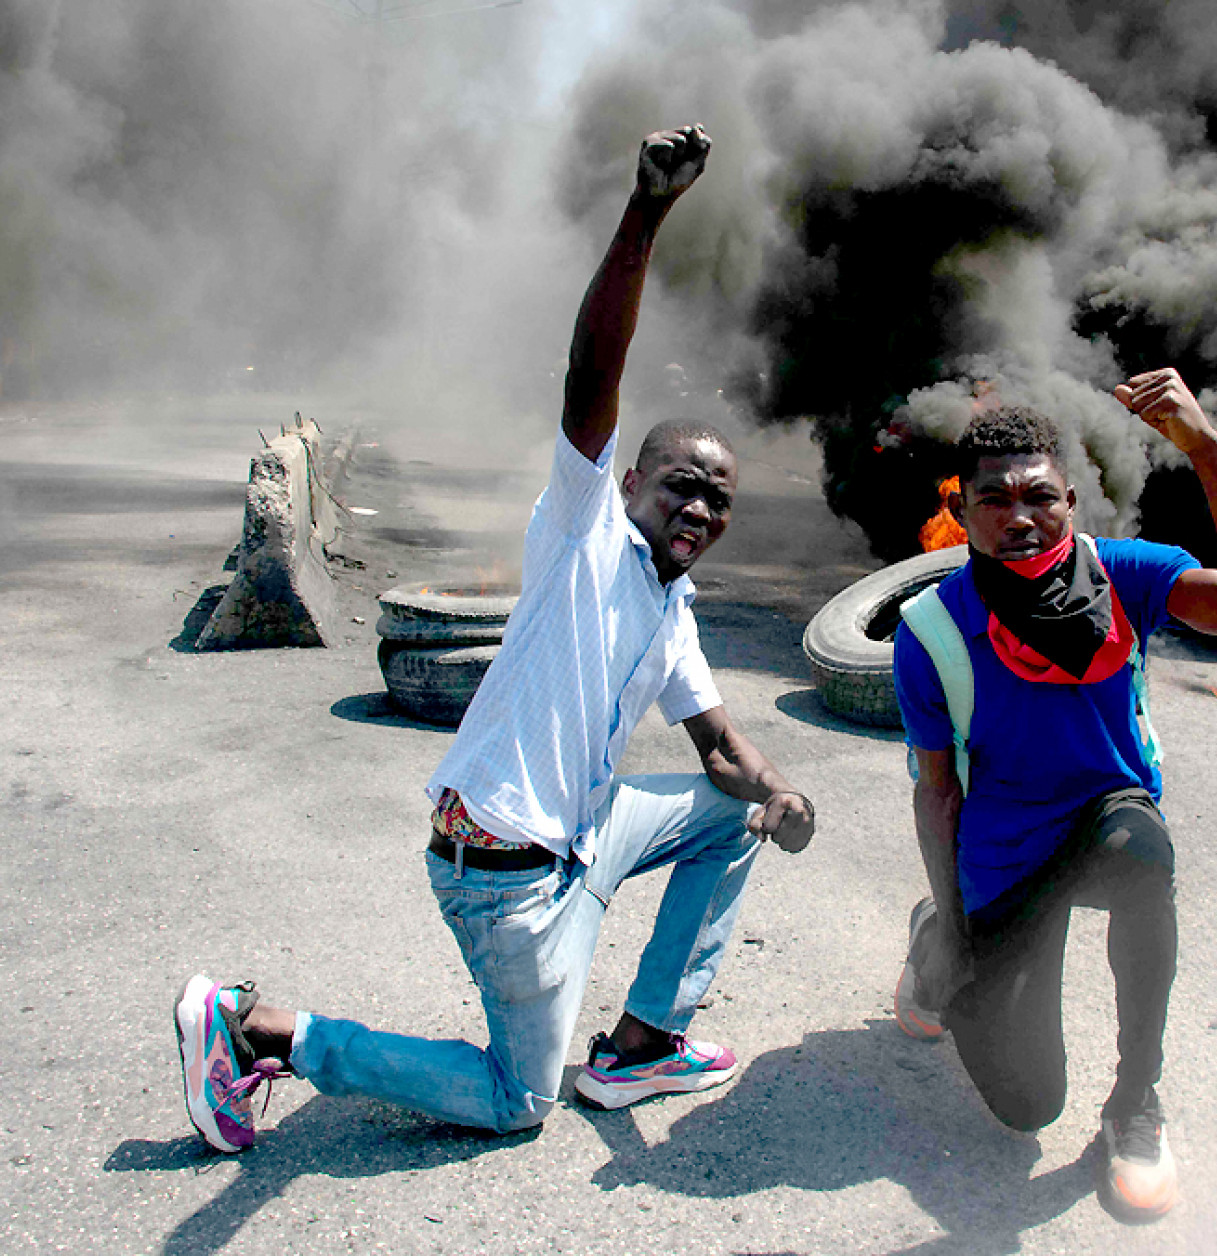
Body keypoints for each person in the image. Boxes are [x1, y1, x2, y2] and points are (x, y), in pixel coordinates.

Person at [173, 124, 815, 1153]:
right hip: (504, 871)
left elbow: (721, 749)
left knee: (724, 815)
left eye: (717, 498)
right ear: (627, 485)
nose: (698, 506)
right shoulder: (583, 532)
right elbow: (590, 366)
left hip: (578, 837)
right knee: (518, 1098)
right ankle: (263, 1031)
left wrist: (776, 791)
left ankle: (645, 1040)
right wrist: (646, 210)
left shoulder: (669, 604)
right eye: (678, 484)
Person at [890, 379, 1217, 1221]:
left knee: (1140, 850)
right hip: (1004, 862)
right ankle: (930, 944)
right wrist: (958, 930)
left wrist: (1206, 451)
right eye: (992, 499)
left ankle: (1133, 1104)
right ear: (961, 512)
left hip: (1109, 828)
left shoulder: (1126, 575)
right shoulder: (930, 629)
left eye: (1039, 494)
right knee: (1024, 1109)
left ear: (1070, 501)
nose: (1018, 514)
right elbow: (937, 797)